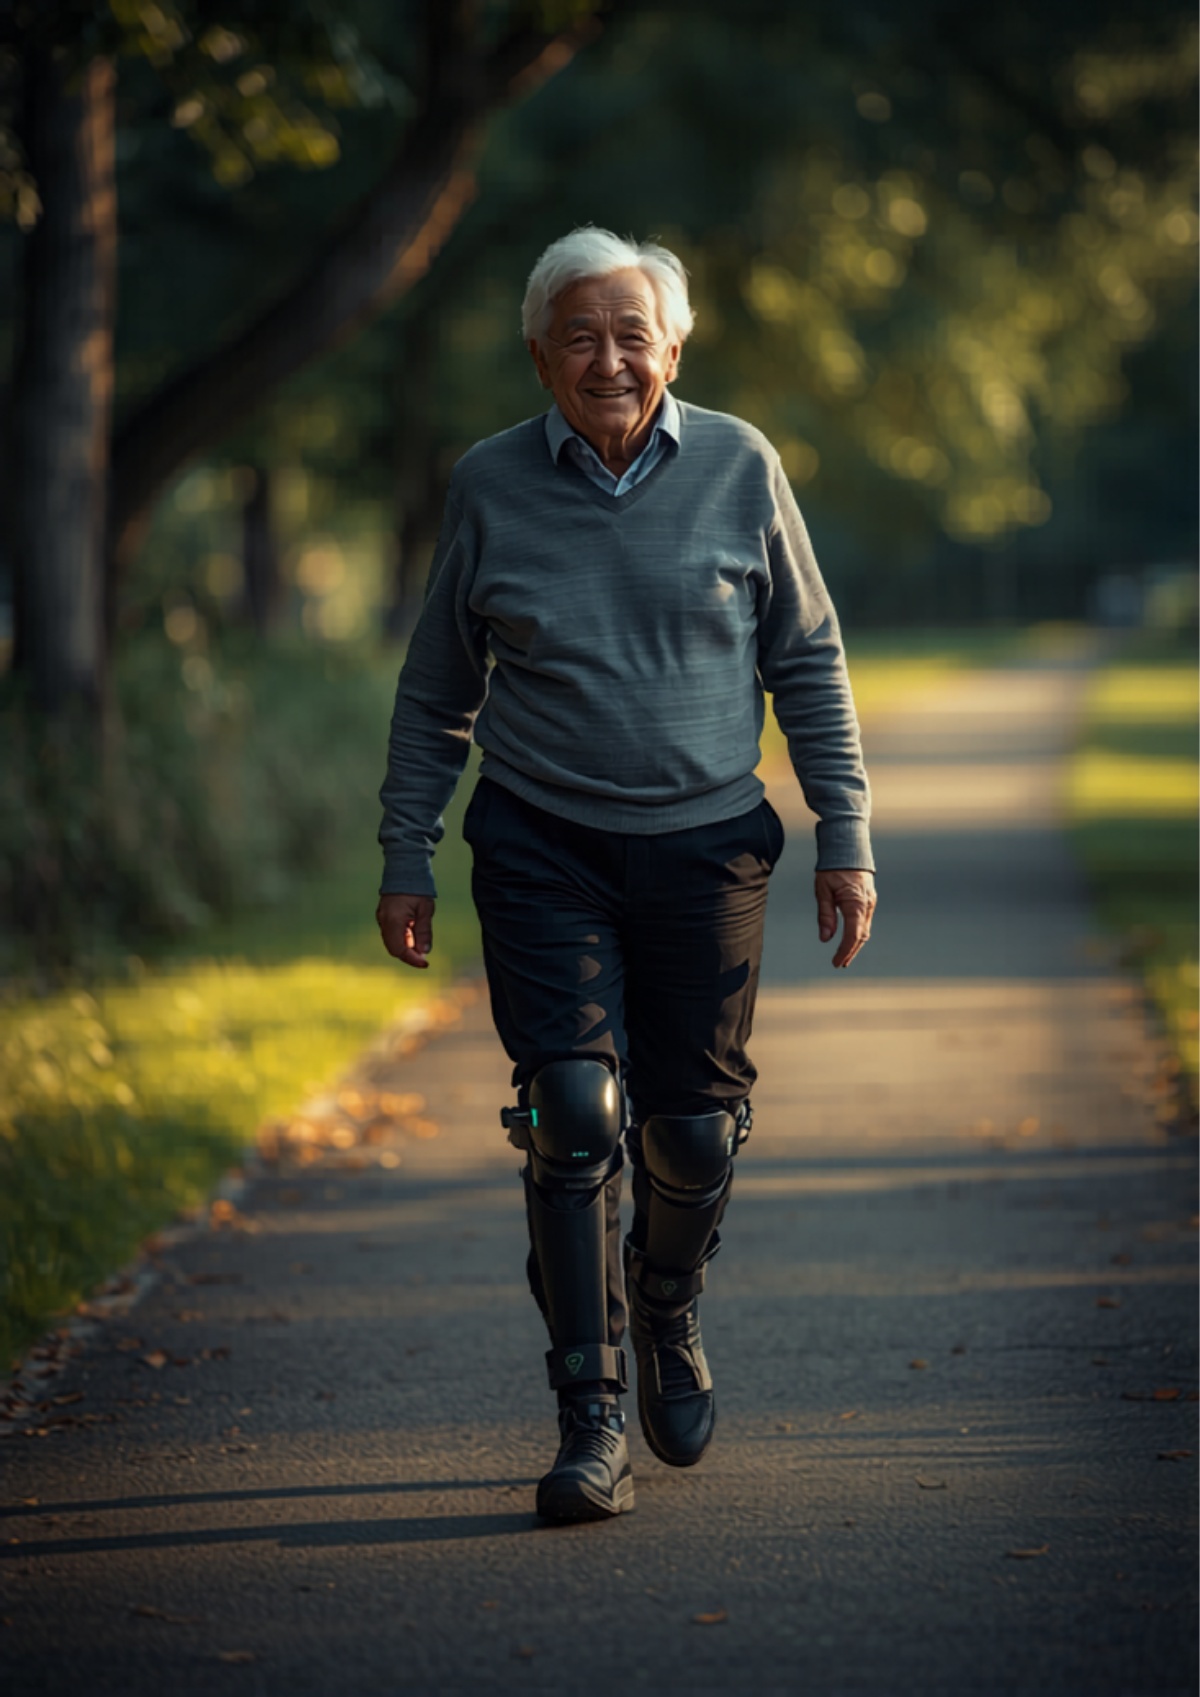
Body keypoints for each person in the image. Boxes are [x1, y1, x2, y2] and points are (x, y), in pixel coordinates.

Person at [376, 228, 875, 1525]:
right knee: (575, 1111)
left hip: (707, 843)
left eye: (632, 334)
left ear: (674, 346)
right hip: (542, 840)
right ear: (540, 352)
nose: (611, 359)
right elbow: (439, 690)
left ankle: (667, 1297)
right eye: (582, 336)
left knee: (691, 1132)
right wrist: (406, 850)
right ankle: (589, 1413)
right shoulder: (489, 482)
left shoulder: (739, 464)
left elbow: (808, 660)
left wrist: (846, 829)